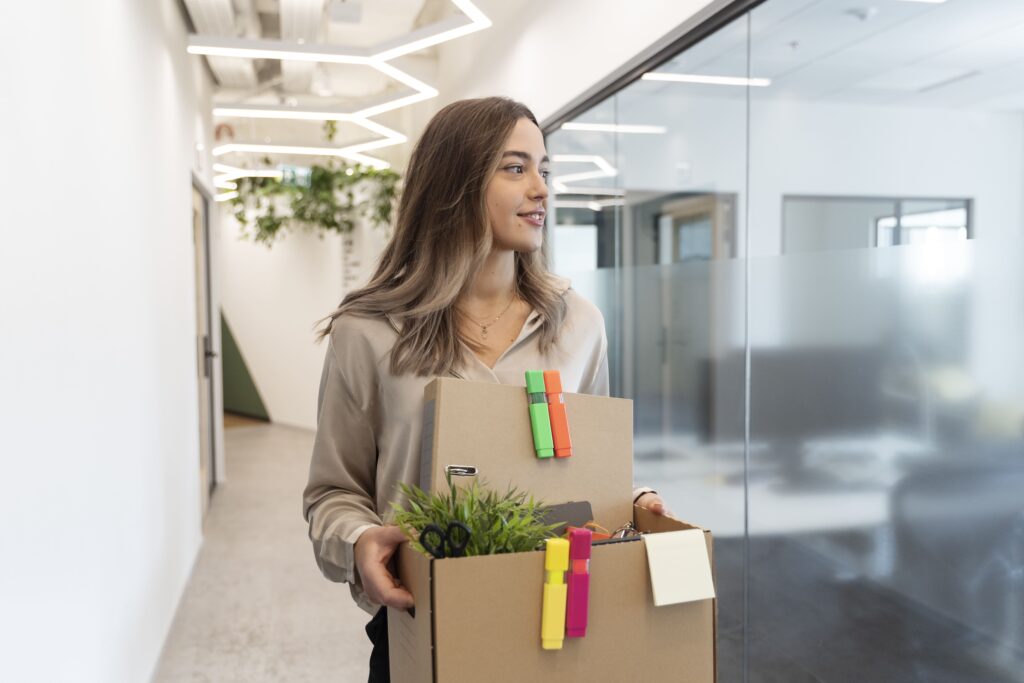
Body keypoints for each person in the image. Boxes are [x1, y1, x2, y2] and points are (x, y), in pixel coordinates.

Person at [302, 96, 670, 683]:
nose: (543, 189)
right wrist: (359, 540)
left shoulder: (579, 324)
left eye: (544, 169)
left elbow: (587, 472)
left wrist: (634, 498)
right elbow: (332, 492)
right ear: (455, 183)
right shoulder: (369, 332)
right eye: (516, 167)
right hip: (426, 624)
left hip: (562, 623)